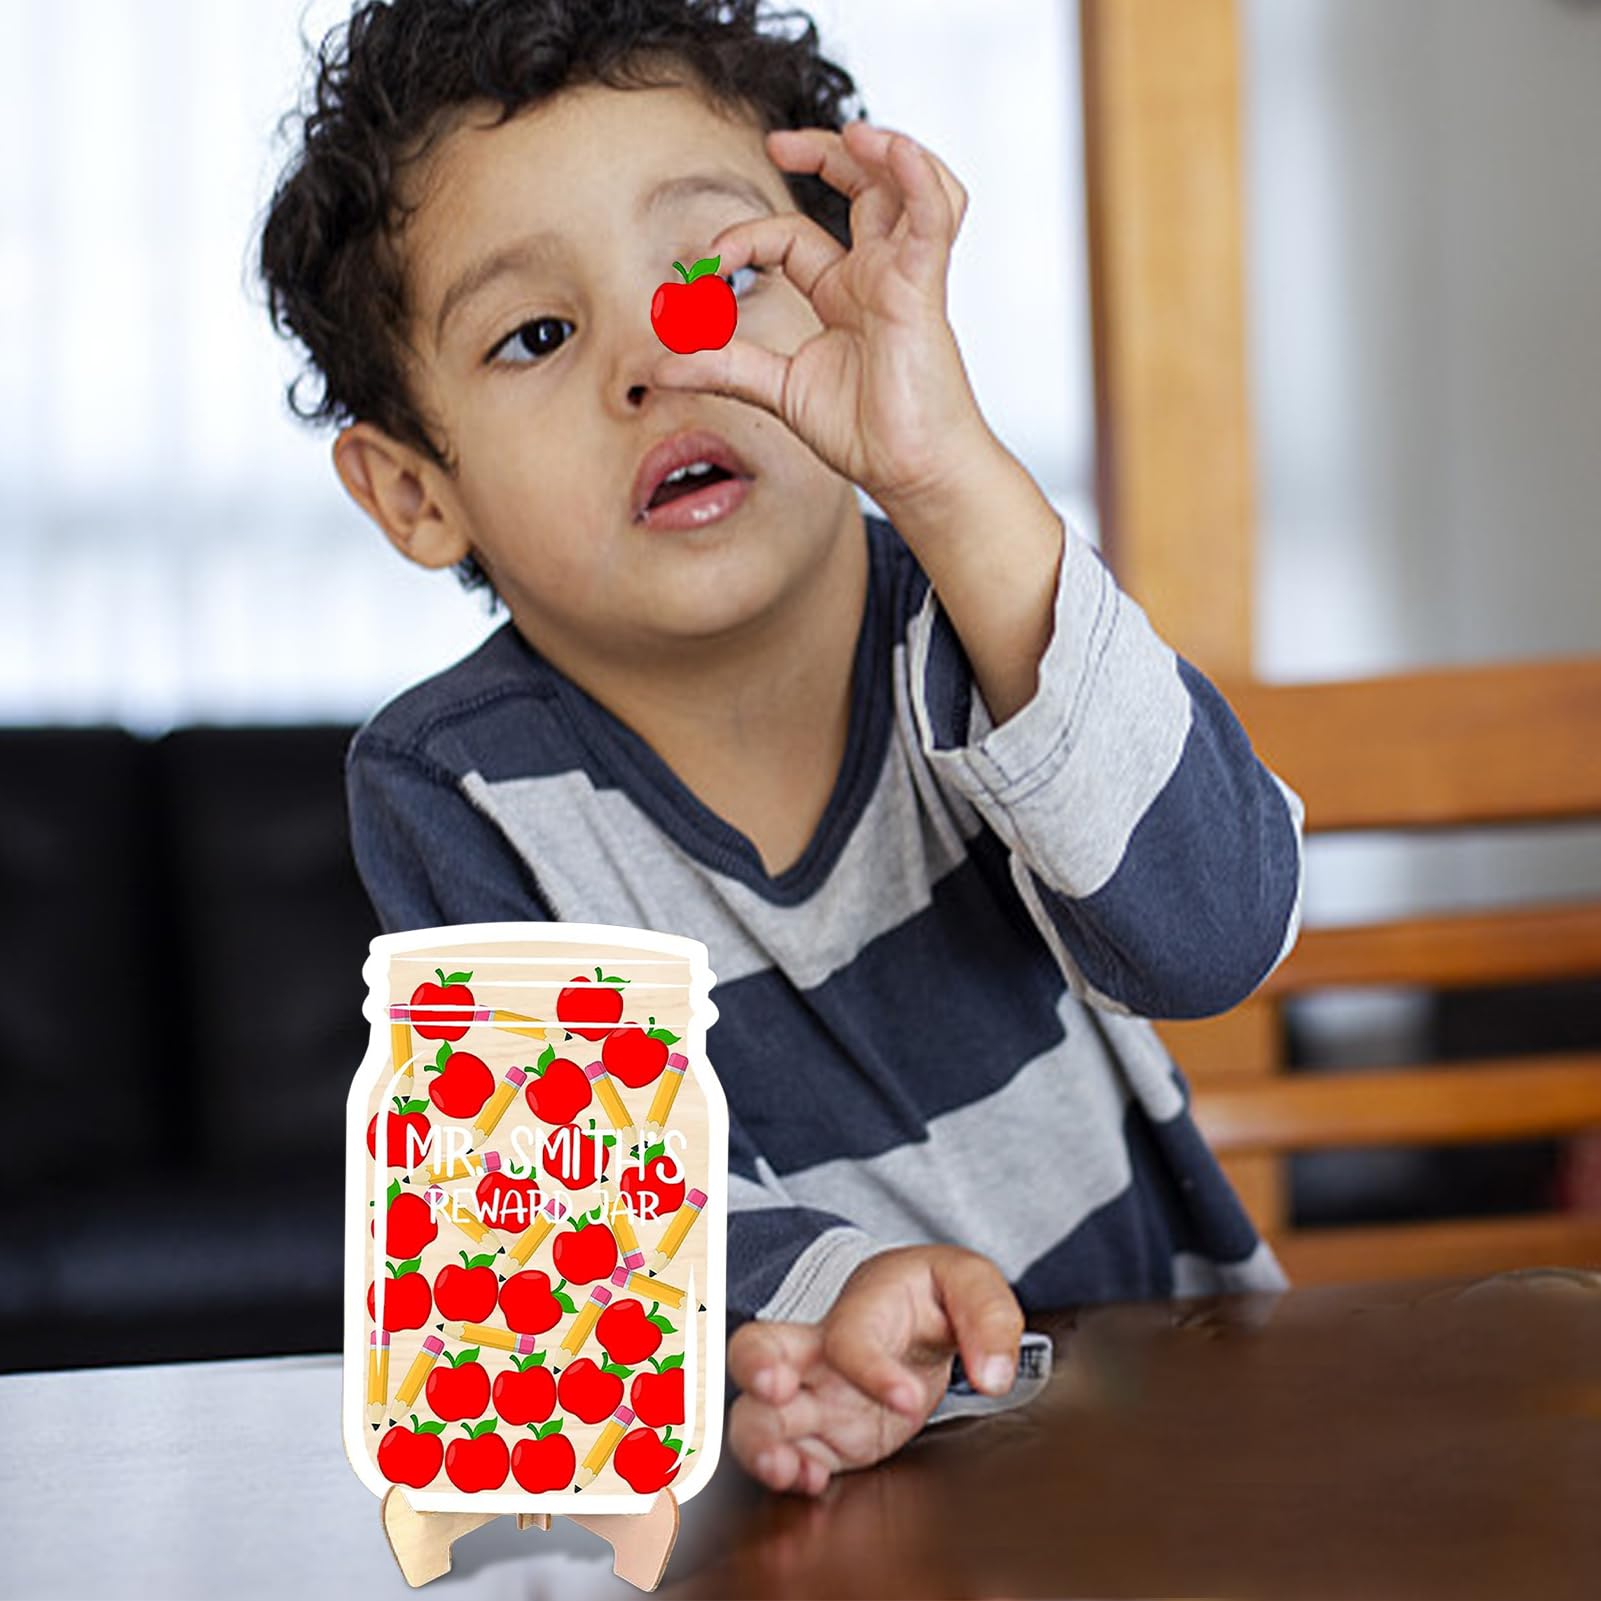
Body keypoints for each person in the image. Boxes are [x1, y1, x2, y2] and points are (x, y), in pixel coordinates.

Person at [256, 0, 1306, 1498]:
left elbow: (1213, 935)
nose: (657, 360)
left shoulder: (980, 618)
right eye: (537, 334)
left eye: (718, 272)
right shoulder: (454, 789)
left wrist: (950, 475)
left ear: (833, 296)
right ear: (417, 491)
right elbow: (560, 1263)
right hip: (785, 1503)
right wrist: (819, 1298)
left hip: (1163, 1441)